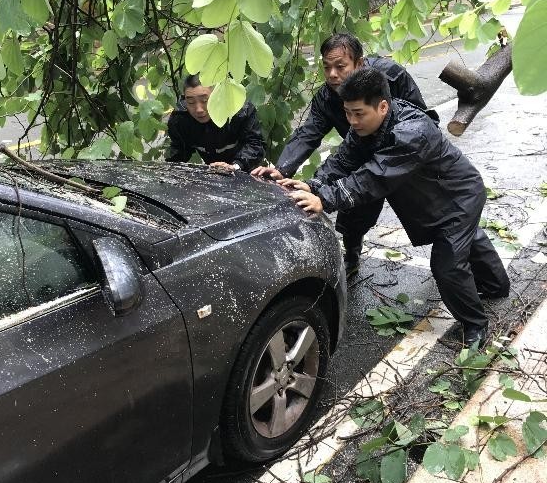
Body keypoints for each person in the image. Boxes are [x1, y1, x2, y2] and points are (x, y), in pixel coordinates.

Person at [278, 68, 510, 348]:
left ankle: (475, 324)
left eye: (359, 113)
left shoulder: (412, 132)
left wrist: (325, 199)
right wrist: (313, 186)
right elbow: (343, 161)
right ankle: (497, 286)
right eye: (348, 113)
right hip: (432, 197)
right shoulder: (363, 128)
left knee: (447, 264)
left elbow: (374, 176)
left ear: (383, 106)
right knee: (467, 238)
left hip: (459, 197)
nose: (352, 121)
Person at [252, 32, 436, 273]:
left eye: (340, 66)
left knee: (440, 215)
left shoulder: (391, 76)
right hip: (359, 159)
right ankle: (351, 253)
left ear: (358, 63)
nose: (332, 74)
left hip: (401, 159)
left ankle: (469, 260)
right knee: (353, 214)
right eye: (326, 67)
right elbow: (308, 134)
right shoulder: (326, 97)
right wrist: (280, 169)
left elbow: (420, 120)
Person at [166, 75, 265, 171]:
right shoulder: (180, 118)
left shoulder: (240, 111)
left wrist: (235, 166)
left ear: (218, 96)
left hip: (243, 170)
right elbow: (179, 150)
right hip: (212, 172)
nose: (198, 110)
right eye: (191, 102)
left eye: (205, 100)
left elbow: (255, 144)